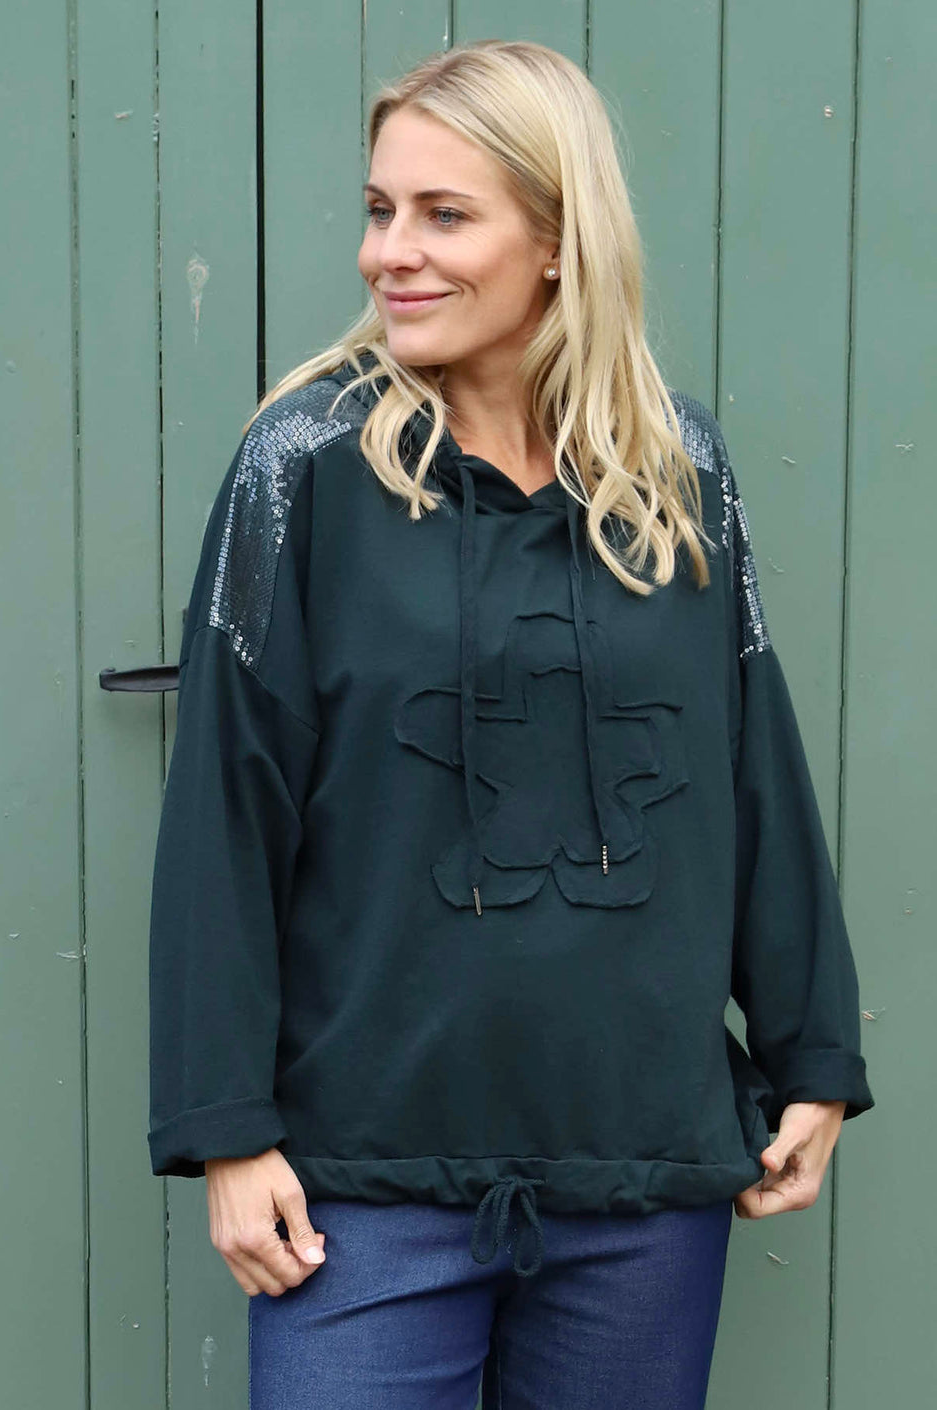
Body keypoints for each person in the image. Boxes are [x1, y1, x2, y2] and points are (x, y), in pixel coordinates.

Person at [147, 38, 874, 1410]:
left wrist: (813, 1050)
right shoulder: (302, 466)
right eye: (381, 210)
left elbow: (749, 765)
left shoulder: (674, 470)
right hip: (362, 1187)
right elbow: (225, 807)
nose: (390, 254)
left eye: (444, 214)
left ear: (556, 240)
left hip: (640, 1170)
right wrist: (225, 1129)